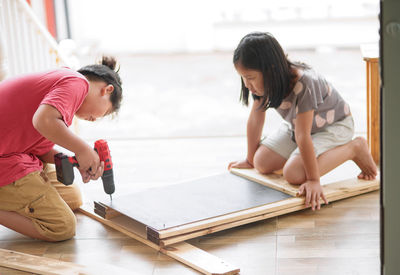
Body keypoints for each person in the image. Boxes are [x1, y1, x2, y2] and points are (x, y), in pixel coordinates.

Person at [228, 32, 377, 211]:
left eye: (250, 78)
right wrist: (249, 158)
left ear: (270, 69)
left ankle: (355, 148)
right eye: (243, 77)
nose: (246, 84)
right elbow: (255, 119)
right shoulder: (265, 82)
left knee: (294, 174)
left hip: (333, 126)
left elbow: (303, 135)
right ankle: (294, 158)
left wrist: (313, 180)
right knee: (260, 162)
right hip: (298, 126)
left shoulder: (305, 82)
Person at [0, 56, 123, 241]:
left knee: (73, 198)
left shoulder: (61, 87)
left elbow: (40, 149)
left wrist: (76, 161)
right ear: (106, 90)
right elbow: (43, 120)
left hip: (12, 152)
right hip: (5, 158)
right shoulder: (77, 83)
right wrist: (83, 150)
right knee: (61, 226)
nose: (94, 120)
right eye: (104, 113)